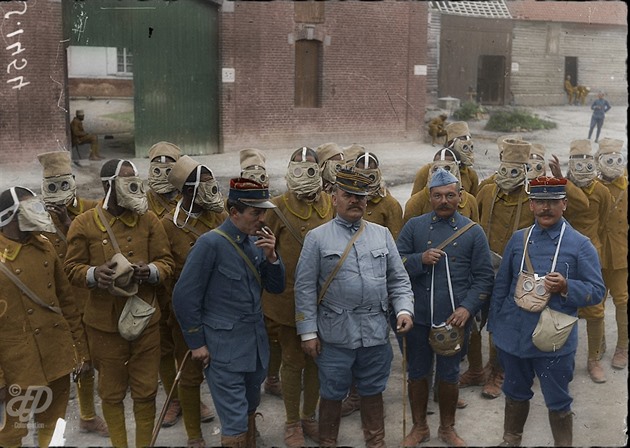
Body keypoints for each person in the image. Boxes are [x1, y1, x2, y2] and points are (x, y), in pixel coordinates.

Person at [294, 167, 415, 448]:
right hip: (335, 333)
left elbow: (399, 280)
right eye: (348, 194)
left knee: (373, 391)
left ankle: (376, 443)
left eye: (360, 196)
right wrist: (307, 332)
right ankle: (328, 442)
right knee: (333, 392)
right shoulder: (317, 238)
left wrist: (404, 310)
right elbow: (304, 289)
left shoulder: (382, 235)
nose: (355, 201)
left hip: (374, 332)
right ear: (334, 198)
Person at [64, 159, 175, 448]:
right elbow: (71, 268)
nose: (135, 187)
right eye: (127, 181)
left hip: (145, 323)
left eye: (135, 180)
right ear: (107, 185)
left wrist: (149, 271)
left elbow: (166, 263)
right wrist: (92, 274)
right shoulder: (84, 222)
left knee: (146, 392)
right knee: (111, 394)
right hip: (104, 327)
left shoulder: (149, 220)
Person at [489, 176, 605, 447]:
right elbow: (502, 286)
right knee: (514, 393)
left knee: (558, 399)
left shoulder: (580, 244)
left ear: (564, 204)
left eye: (552, 202)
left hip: (554, 341)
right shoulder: (518, 240)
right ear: (531, 205)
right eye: (539, 202)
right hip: (514, 337)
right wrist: (496, 328)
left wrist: (566, 286)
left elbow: (597, 291)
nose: (545, 208)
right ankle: (511, 441)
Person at [172, 177, 285, 448]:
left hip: (255, 347)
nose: (262, 218)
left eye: (264, 212)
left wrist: (272, 258)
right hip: (224, 349)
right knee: (234, 420)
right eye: (255, 213)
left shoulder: (255, 242)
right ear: (234, 212)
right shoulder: (210, 244)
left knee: (248, 408)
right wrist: (196, 342)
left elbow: (276, 288)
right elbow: (183, 296)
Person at [395, 168, 494, 447]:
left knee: (449, 375)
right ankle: (419, 427)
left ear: (460, 197)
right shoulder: (414, 226)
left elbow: (484, 277)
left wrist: (467, 308)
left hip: (454, 320)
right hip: (418, 317)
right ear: (429, 197)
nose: (444, 201)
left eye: (450, 195)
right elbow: (395, 264)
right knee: (417, 372)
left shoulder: (473, 232)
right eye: (438, 196)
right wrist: (419, 259)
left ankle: (447, 428)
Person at [0, 186, 90, 448]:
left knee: (53, 430)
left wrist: (80, 353)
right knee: (11, 434)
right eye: (31, 207)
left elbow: (67, 304)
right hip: (18, 368)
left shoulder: (45, 247)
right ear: (12, 216)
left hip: (56, 357)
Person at [261, 146, 333, 446]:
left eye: (310, 166)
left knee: (317, 360)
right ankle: (292, 424)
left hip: (325, 298)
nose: (304, 171)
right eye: (298, 165)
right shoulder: (275, 206)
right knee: (292, 361)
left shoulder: (330, 203)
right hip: (288, 300)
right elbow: (264, 251)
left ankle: (308, 417)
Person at [36, 151, 108, 437]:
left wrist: (67, 224)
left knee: (90, 357)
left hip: (88, 293)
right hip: (56, 300)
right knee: (68, 361)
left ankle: (88, 414)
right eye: (50, 186)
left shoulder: (92, 210)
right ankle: (59, 423)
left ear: (74, 183)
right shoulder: (37, 217)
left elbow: (99, 248)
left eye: (63, 184)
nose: (57, 193)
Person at [159, 155, 227, 447]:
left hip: (222, 311)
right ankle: (194, 436)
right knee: (188, 376)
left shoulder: (221, 218)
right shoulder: (167, 225)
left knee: (226, 372)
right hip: (187, 315)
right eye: (206, 184)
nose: (213, 189)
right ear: (188, 192)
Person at [340, 149, 405, 417]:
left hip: (381, 283)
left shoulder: (389, 204)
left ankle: (412, 382)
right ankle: (354, 394)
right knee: (353, 342)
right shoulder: (348, 201)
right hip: (351, 285)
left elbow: (396, 248)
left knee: (390, 338)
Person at [473, 139, 535, 400]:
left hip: (516, 270)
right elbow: (472, 224)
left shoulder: (533, 196)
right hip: (485, 266)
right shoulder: (486, 192)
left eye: (515, 171)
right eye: (505, 169)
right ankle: (479, 369)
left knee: (503, 321)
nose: (509, 177)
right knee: (478, 317)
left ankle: (499, 372)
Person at [548, 140, 612, 383]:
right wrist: (560, 179)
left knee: (594, 309)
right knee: (559, 306)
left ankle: (594, 359)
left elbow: (603, 220)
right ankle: (560, 359)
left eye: (587, 159)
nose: (582, 164)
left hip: (589, 252)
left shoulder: (601, 191)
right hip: (564, 253)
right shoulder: (561, 186)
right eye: (577, 160)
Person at [144, 141, 190, 428]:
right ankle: (173, 399)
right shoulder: (141, 200)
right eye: (156, 166)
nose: (162, 173)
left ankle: (189, 394)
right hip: (153, 284)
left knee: (185, 345)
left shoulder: (187, 197)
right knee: (162, 345)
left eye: (168, 166)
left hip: (183, 284)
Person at [595, 138, 628, 370]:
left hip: (620, 253)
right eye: (609, 158)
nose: (614, 163)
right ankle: (599, 345)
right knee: (596, 302)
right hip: (596, 254)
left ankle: (622, 347)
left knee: (622, 301)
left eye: (618, 158)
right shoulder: (593, 187)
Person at [404, 148, 479, 225]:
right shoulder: (416, 202)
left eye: (447, 168)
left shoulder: (470, 201)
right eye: (437, 168)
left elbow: (475, 232)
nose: (441, 173)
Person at [411, 121, 480, 197]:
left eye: (471, 147)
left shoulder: (470, 175)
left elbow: (472, 204)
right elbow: (415, 201)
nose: (469, 151)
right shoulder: (427, 171)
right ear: (451, 144)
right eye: (464, 147)